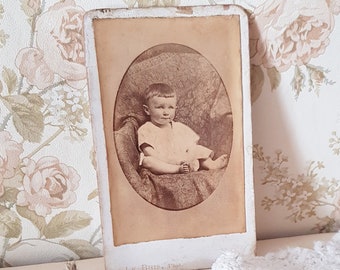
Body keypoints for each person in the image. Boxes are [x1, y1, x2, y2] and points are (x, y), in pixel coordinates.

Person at [138, 83, 229, 175]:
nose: (166, 112)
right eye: (160, 107)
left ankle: (211, 165)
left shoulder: (179, 127)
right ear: (147, 110)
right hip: (163, 163)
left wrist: (188, 156)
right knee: (147, 161)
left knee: (197, 149)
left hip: (183, 160)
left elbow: (191, 145)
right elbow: (148, 151)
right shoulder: (146, 129)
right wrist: (170, 162)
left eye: (171, 107)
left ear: (175, 108)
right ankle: (177, 169)